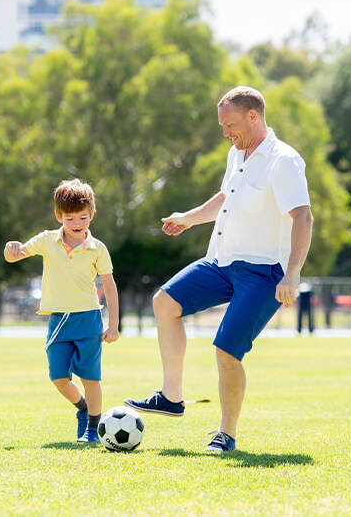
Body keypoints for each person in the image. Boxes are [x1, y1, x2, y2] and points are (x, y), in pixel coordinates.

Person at [125, 86, 313, 452]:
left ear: (252, 117)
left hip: (263, 272)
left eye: (229, 125)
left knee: (226, 351)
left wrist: (293, 273)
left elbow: (303, 215)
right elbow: (226, 198)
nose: (225, 133)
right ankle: (171, 396)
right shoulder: (237, 154)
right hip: (222, 261)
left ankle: (226, 434)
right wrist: (189, 219)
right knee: (165, 302)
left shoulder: (283, 160)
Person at [4, 179, 119, 444]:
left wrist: (112, 325)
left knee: (90, 376)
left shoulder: (98, 249)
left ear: (91, 215)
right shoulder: (46, 240)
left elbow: (110, 287)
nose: (77, 223)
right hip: (58, 320)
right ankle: (82, 409)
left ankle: (93, 426)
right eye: (70, 218)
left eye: (83, 217)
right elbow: (16, 254)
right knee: (58, 377)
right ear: (59, 216)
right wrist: (10, 250)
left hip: (89, 318)